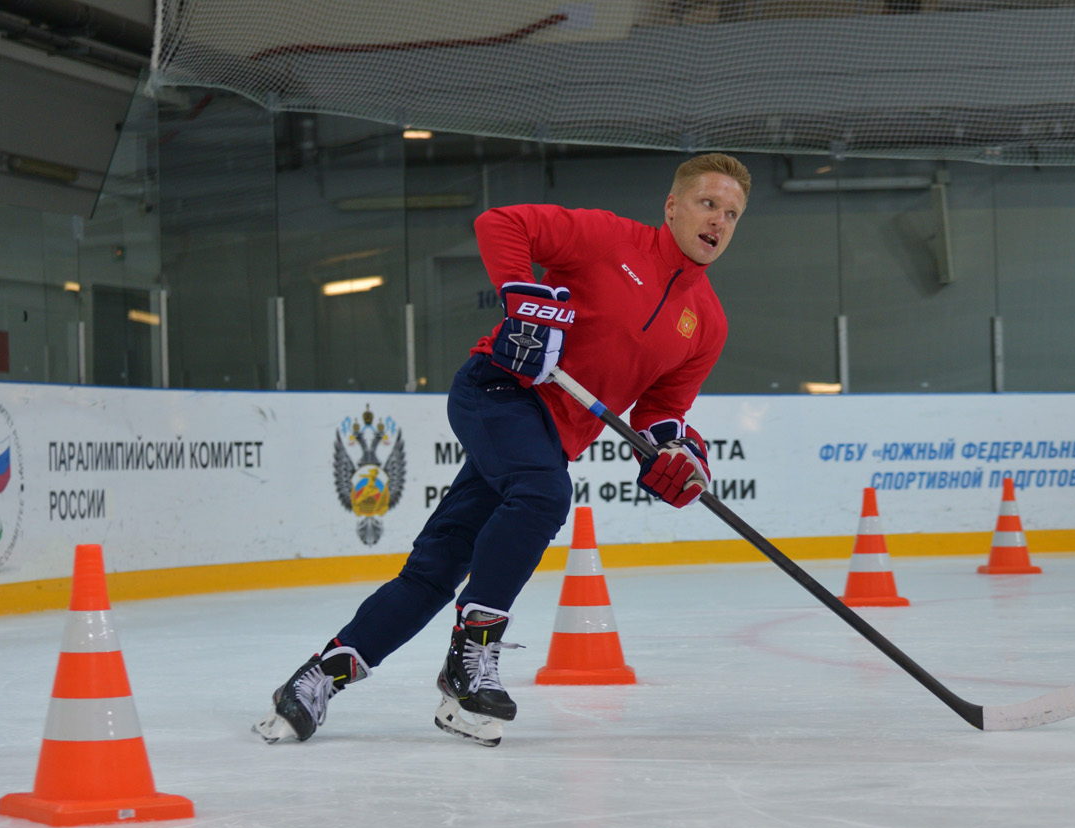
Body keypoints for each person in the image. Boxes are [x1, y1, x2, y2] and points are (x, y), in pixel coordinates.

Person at [254, 152, 751, 747]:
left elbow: (661, 412)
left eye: (731, 213)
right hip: (497, 389)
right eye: (707, 203)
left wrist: (678, 453)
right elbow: (502, 223)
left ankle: (316, 680)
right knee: (543, 493)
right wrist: (526, 306)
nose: (718, 221)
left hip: (546, 437)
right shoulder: (608, 238)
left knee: (437, 568)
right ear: (673, 206)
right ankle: (474, 651)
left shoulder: (710, 323)